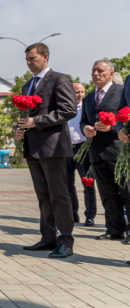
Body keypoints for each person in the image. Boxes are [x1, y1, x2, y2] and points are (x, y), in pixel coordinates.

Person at [16, 43, 77, 258]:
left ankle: (66, 241)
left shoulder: (60, 79)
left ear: (45, 57)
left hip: (52, 147)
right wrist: (21, 129)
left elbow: (68, 110)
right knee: (43, 196)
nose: (29, 62)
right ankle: (48, 238)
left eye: (32, 58)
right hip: (32, 148)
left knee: (59, 195)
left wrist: (36, 122)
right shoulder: (27, 85)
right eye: (26, 59)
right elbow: (26, 115)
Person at [80, 60, 130, 242]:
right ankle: (114, 229)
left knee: (127, 192)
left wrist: (113, 127)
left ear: (111, 73)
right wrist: (85, 129)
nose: (96, 74)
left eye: (100, 71)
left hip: (118, 150)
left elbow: (126, 117)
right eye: (93, 71)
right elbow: (83, 121)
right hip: (97, 152)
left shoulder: (121, 91)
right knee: (107, 194)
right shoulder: (88, 98)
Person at [66, 82, 96, 225]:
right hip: (66, 149)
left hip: (83, 148)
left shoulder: (87, 107)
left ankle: (90, 215)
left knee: (88, 183)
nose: (80, 95)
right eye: (77, 92)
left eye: (82, 92)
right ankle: (73, 214)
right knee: (67, 184)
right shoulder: (65, 108)